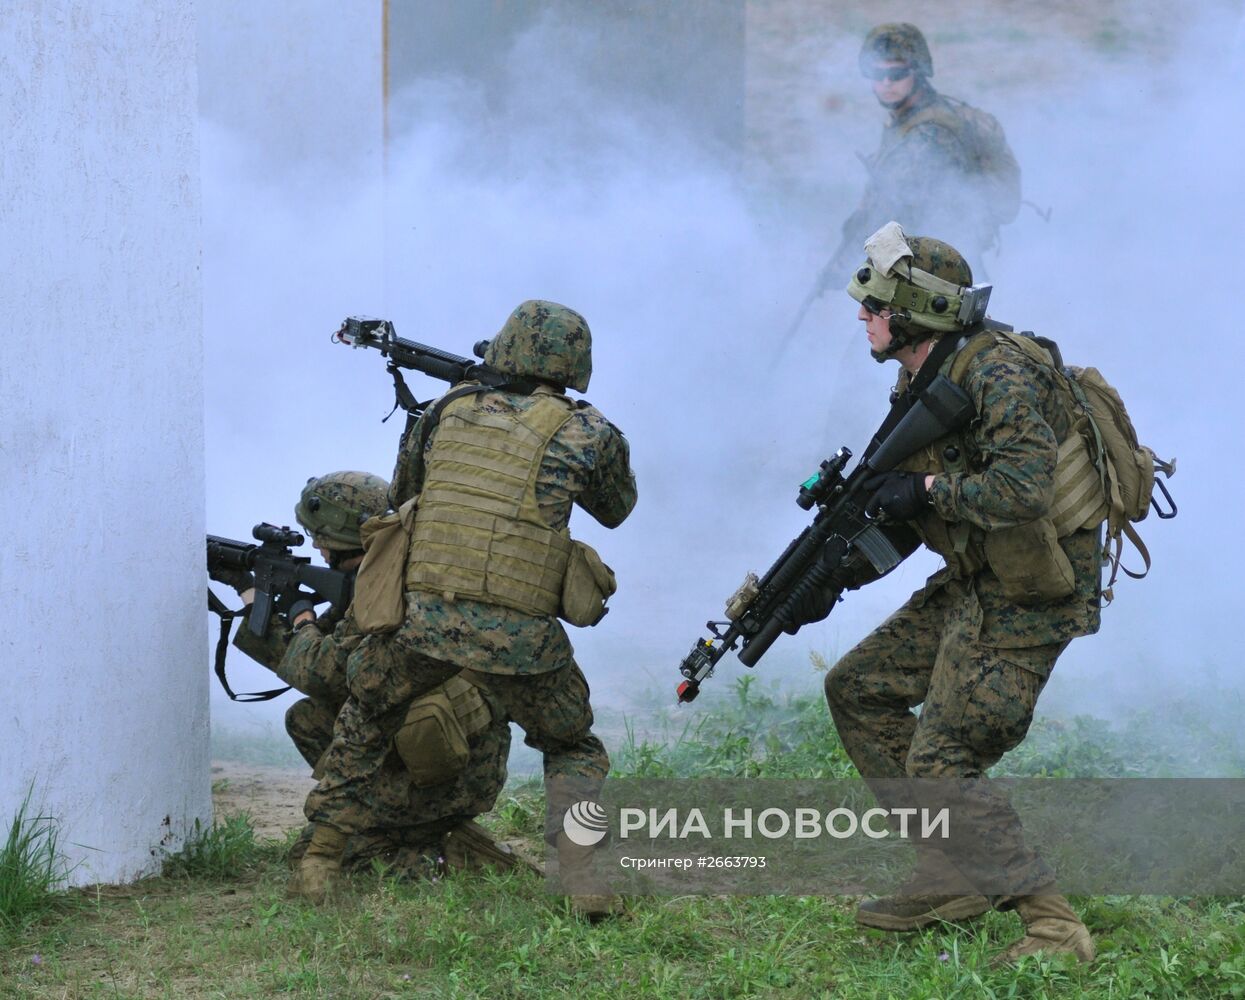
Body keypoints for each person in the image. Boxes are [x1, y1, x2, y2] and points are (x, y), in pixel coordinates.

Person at [293, 301, 638, 917]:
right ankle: (581, 876)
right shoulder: (591, 432)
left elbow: (401, 500)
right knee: (572, 744)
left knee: (366, 714)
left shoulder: (446, 412)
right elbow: (616, 508)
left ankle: (321, 860)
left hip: (425, 625)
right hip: (525, 639)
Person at [812, 222, 1098, 963]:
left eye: (872, 306)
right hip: (980, 571)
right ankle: (950, 870)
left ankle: (1053, 927)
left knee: (940, 759)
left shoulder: (994, 371)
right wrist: (841, 569)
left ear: (913, 313)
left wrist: (925, 489)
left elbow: (1020, 491)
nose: (861, 318)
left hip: (1034, 586)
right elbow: (918, 503)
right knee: (858, 688)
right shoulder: (922, 375)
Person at [213, 471, 519, 877]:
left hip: (450, 774)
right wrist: (261, 596)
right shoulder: (403, 567)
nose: (317, 547)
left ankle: (446, 857)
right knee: (307, 717)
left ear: (340, 538)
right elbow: (333, 660)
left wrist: (296, 615)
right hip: (461, 753)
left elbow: (320, 671)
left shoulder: (382, 589)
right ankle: (415, 830)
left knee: (328, 858)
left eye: (320, 537)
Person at [831, 24, 1020, 280]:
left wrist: (849, 266)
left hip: (934, 276)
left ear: (918, 72)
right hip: (934, 267)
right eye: (877, 73)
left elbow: (897, 215)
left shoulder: (929, 134)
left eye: (897, 74)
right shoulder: (910, 120)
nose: (886, 83)